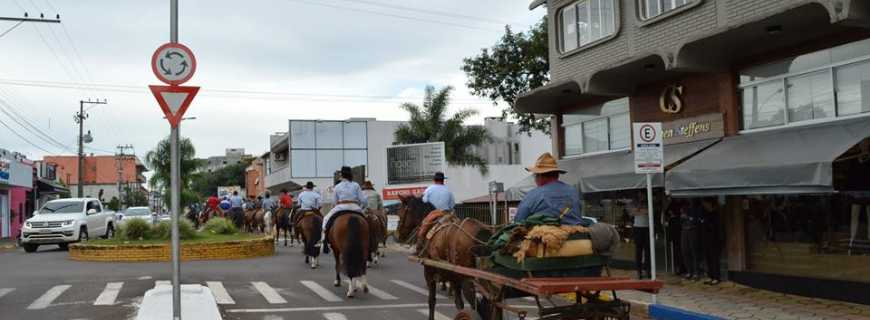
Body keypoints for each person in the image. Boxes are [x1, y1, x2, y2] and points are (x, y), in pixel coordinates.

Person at [514, 153, 590, 226]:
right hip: (576, 234)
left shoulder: (533, 195)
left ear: (539, 176)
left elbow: (519, 222)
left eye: (535, 175)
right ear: (557, 175)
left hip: (545, 237)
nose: (535, 179)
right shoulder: (573, 191)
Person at [321, 166, 367, 253]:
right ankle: (370, 242)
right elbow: (364, 201)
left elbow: (334, 202)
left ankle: (324, 240)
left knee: (325, 219)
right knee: (367, 221)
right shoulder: (356, 185)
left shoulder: (337, 186)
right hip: (355, 207)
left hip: (341, 207)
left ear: (341, 174)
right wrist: (361, 208)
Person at [629, 191, 652, 279]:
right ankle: (639, 271)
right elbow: (632, 213)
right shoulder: (634, 202)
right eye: (640, 194)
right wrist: (639, 209)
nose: (641, 196)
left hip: (647, 227)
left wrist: (639, 211)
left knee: (648, 250)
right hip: (637, 227)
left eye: (643, 194)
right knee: (638, 250)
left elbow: (649, 211)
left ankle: (648, 270)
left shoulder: (649, 201)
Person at [700, 198, 721, 285]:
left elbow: (717, 229)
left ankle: (716, 277)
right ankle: (710, 276)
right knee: (708, 258)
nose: (705, 206)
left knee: (714, 258)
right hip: (706, 239)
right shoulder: (706, 214)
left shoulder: (715, 214)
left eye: (706, 204)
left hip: (714, 240)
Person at [681, 199, 704, 281]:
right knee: (685, 250)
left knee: (694, 251)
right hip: (685, 229)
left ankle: (696, 272)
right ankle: (689, 271)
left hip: (693, 230)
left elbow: (700, 220)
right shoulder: (684, 206)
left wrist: (690, 218)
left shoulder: (699, 208)